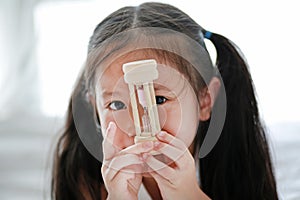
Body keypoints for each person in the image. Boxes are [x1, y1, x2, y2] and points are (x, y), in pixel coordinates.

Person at [51, 2, 278, 200]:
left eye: (158, 99)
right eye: (117, 105)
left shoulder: (234, 159)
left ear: (205, 101)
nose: (136, 125)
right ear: (96, 110)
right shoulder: (88, 172)